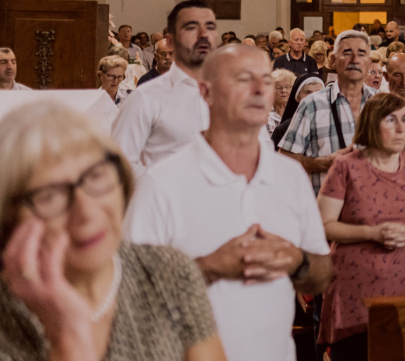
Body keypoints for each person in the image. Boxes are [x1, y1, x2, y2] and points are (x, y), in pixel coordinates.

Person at [124, 45, 332, 361]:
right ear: (205, 92)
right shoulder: (163, 183)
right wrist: (207, 268)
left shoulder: (289, 176)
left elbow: (321, 273)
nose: (260, 89)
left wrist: (296, 260)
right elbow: (126, 292)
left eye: (265, 79)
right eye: (243, 79)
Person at [0, 102, 227, 361]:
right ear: (9, 217)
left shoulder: (168, 272)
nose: (86, 211)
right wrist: (68, 341)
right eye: (51, 196)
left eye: (95, 176)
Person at [317, 93, 405, 358]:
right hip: (355, 292)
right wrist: (372, 233)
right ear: (371, 123)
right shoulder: (346, 167)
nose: (401, 128)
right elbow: (323, 224)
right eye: (391, 120)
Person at [112, 0, 217, 178]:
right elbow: (120, 164)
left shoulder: (232, 95)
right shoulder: (145, 98)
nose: (203, 34)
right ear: (170, 41)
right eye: (191, 27)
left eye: (210, 27)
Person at [279, 31, 375, 195]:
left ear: (369, 62)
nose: (354, 60)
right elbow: (285, 158)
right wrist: (322, 164)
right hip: (326, 207)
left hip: (374, 206)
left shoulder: (381, 103)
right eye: (347, 53)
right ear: (332, 60)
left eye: (361, 54)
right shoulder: (312, 104)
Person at [269, 68, 296, 134]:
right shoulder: (265, 116)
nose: (283, 90)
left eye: (287, 87)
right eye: (278, 87)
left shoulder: (297, 112)